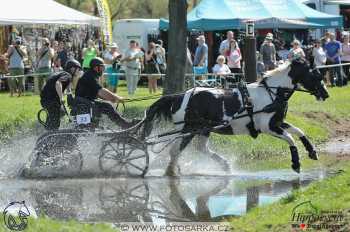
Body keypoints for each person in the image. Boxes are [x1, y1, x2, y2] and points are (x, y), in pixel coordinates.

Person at [75, 57, 135, 128]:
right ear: (96, 68)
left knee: (107, 106)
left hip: (87, 102)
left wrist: (113, 99)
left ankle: (124, 125)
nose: (103, 70)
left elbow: (98, 93)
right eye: (102, 67)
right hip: (84, 103)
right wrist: (117, 98)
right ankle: (124, 125)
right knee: (105, 107)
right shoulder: (90, 76)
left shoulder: (92, 75)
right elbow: (101, 91)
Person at [40, 59, 81, 130]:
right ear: (72, 68)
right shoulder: (68, 76)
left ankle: (47, 128)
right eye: (78, 69)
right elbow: (58, 83)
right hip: (51, 100)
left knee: (61, 112)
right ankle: (51, 134)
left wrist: (70, 96)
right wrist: (61, 98)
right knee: (55, 121)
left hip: (45, 99)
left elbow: (68, 88)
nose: (79, 71)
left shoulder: (62, 73)